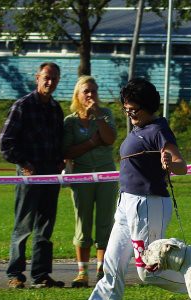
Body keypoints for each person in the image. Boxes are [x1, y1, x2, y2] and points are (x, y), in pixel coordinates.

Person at [75, 78, 191, 300]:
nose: (129, 115)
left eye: (133, 110)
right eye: (126, 110)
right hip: (127, 203)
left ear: (148, 107)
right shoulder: (140, 127)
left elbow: (181, 165)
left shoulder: (158, 129)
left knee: (149, 272)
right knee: (112, 262)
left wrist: (169, 164)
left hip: (148, 204)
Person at [0, 62, 66, 289]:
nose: (50, 82)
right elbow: (5, 142)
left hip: (51, 176)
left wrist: (60, 162)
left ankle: (41, 274)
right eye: (46, 77)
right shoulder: (23, 106)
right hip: (29, 174)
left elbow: (59, 142)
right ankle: (15, 273)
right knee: (23, 225)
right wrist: (23, 164)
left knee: (45, 227)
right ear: (37, 78)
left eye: (54, 78)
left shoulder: (56, 109)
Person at [63, 75, 118, 288]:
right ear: (78, 94)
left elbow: (110, 139)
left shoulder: (106, 114)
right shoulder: (71, 121)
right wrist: (92, 142)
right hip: (82, 175)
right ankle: (81, 272)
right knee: (82, 223)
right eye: (86, 91)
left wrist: (98, 119)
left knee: (105, 221)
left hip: (106, 175)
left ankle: (101, 269)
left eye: (93, 91)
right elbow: (67, 150)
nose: (90, 95)